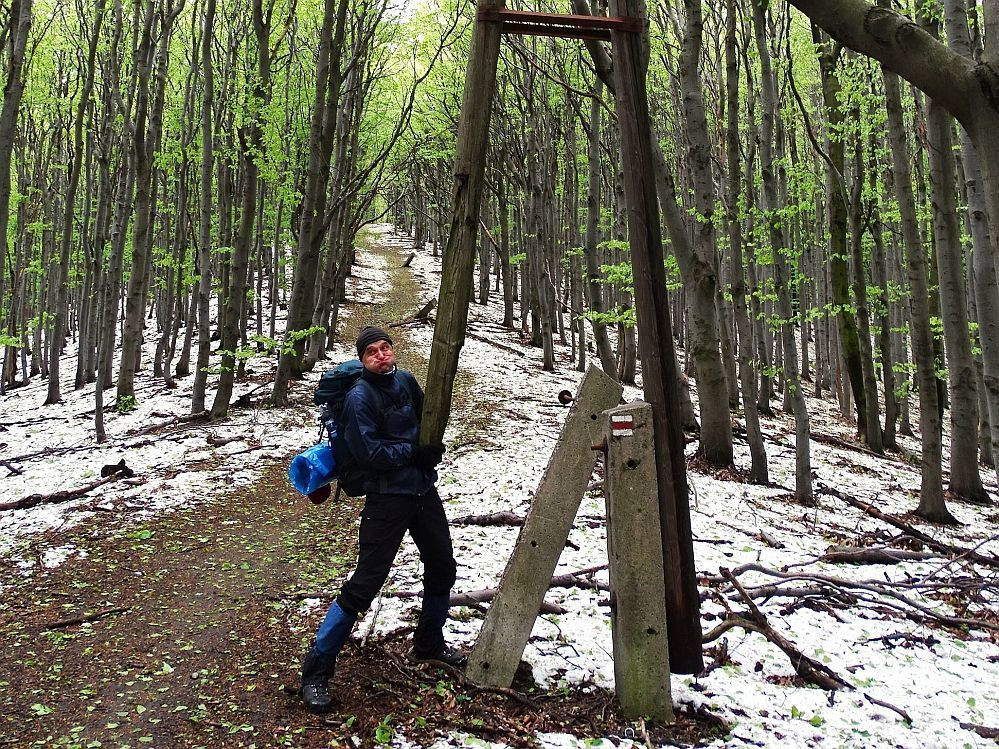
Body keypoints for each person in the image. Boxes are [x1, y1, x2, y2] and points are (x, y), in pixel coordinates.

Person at [300, 325, 465, 714]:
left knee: (442, 566)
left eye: (385, 347)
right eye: (371, 351)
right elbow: (371, 454)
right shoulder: (359, 398)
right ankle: (316, 670)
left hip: (422, 491)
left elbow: (427, 421)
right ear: (363, 359)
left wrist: (430, 447)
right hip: (387, 499)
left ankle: (429, 644)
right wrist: (414, 453)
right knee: (366, 583)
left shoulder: (405, 380)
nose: (381, 355)